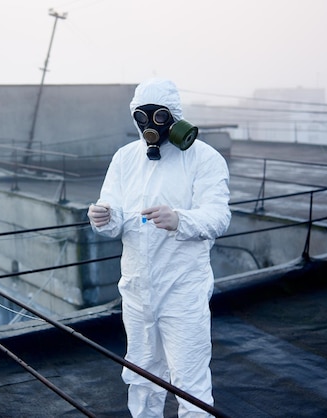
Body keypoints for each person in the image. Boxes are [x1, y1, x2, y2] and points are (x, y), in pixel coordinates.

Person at [87, 78, 231, 417]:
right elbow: (117, 218)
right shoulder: (125, 159)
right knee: (140, 376)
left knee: (189, 384)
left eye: (159, 116)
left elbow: (218, 217)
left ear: (174, 117)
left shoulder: (204, 159)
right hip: (137, 292)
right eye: (142, 116)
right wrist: (102, 216)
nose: (150, 124)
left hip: (182, 292)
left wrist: (179, 219)